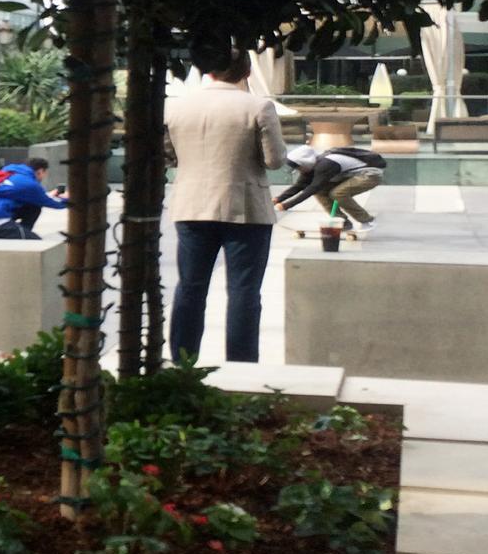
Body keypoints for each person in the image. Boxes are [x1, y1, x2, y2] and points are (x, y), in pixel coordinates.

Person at [164, 43, 285, 363]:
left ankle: (182, 361)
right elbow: (274, 161)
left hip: (191, 206)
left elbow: (168, 155)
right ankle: (241, 366)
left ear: (207, 68)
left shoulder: (177, 107)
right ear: (247, 71)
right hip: (245, 208)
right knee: (244, 291)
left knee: (190, 288)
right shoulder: (259, 107)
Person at [274, 144, 383, 229]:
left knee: (338, 193)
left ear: (305, 162)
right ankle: (342, 222)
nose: (298, 170)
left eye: (298, 167)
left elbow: (312, 188)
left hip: (370, 175)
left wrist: (287, 205)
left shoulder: (325, 164)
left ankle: (367, 221)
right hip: (353, 175)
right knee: (321, 192)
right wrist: (278, 199)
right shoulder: (311, 166)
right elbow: (300, 185)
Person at [0, 158, 68, 240]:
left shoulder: (8, 173)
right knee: (35, 243)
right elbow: (55, 204)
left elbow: (28, 196)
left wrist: (47, 195)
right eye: (45, 173)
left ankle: (19, 233)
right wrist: (69, 199)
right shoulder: (29, 184)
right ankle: (14, 236)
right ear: (40, 171)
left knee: (33, 206)